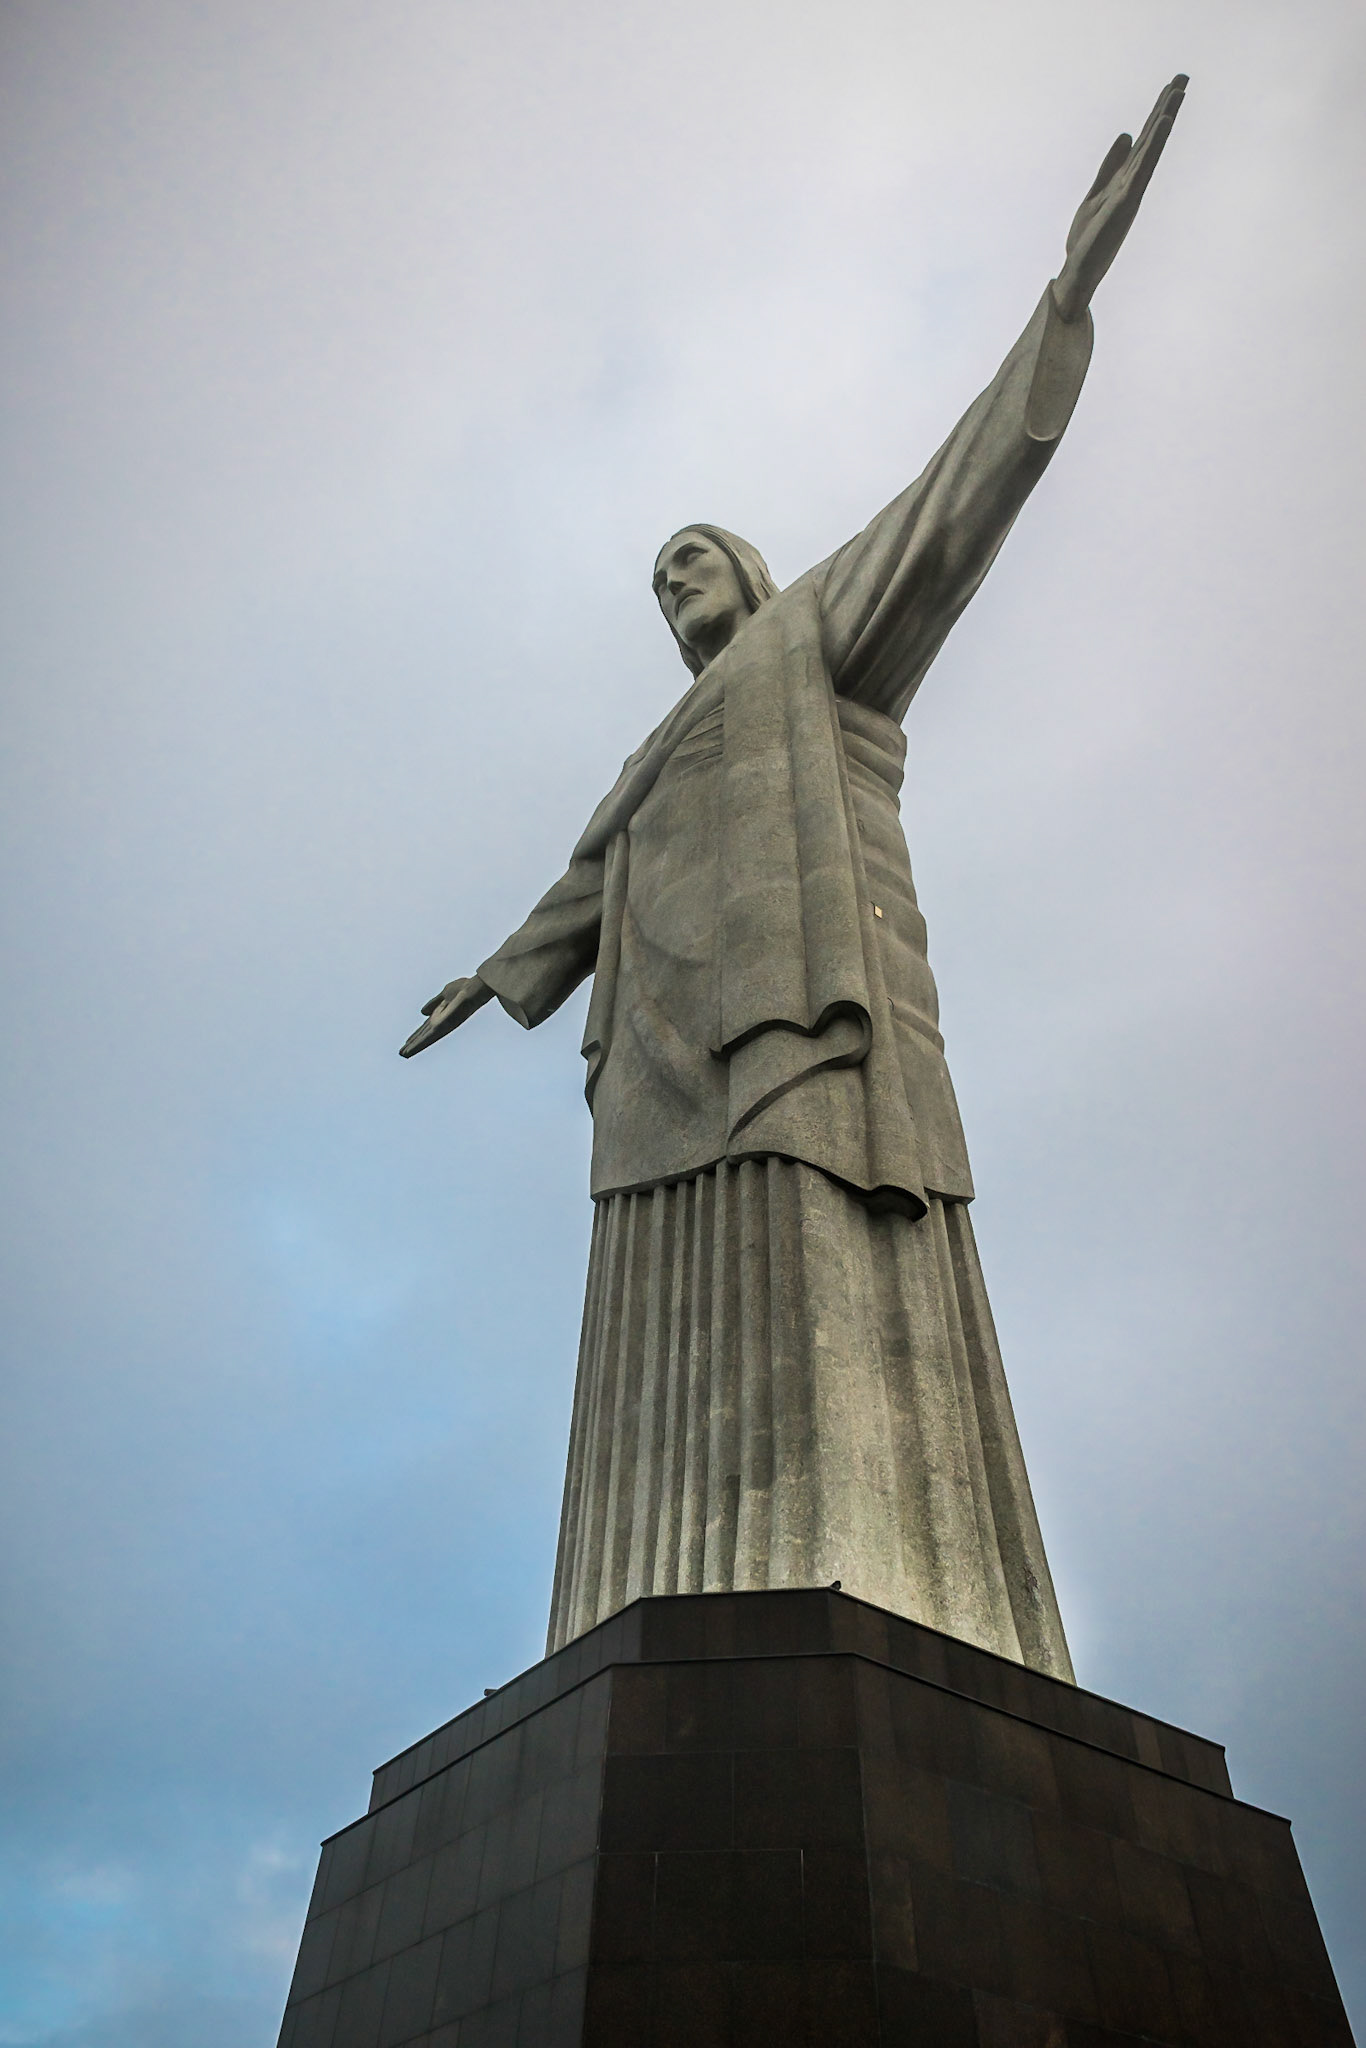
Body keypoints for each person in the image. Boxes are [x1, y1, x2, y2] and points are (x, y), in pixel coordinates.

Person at [402, 78, 1187, 1674]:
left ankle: (849, 1578)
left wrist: (1064, 303)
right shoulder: (660, 747)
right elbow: (584, 876)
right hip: (656, 1060)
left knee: (817, 1238)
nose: (668, 580)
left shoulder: (812, 640)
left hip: (791, 1014)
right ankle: (654, 1584)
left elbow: (948, 507)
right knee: (663, 1300)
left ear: (751, 575)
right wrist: (500, 974)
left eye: (688, 555)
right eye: (650, 576)